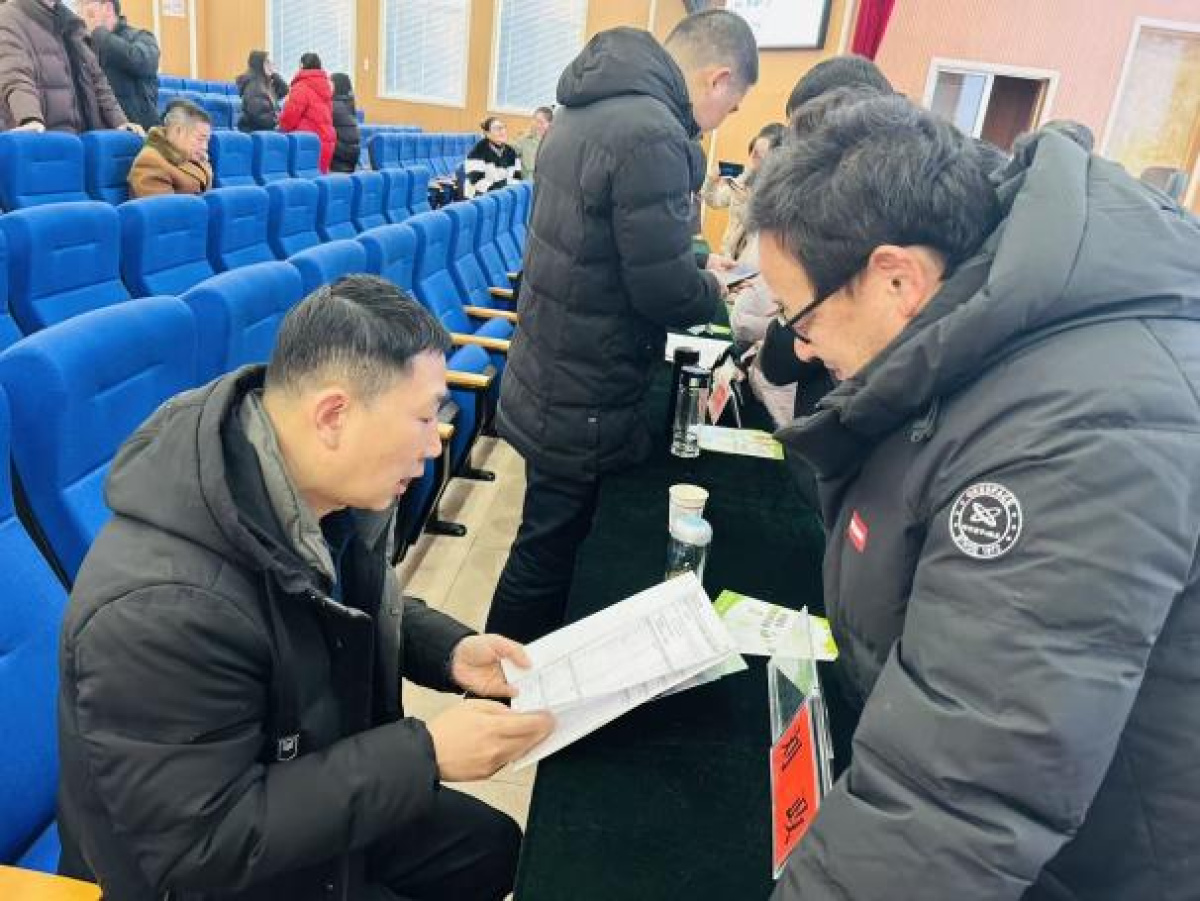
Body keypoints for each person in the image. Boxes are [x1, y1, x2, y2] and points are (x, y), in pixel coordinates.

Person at [750, 94, 1200, 900]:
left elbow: (955, 794)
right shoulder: (989, 339)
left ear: (897, 279)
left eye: (801, 319)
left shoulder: (1084, 429)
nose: (802, 349)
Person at [57, 275, 555, 900]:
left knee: (492, 846)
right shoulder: (162, 609)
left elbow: (331, 609)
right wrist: (424, 755)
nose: (435, 444)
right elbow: (201, 846)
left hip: (295, 783)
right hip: (212, 871)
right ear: (333, 416)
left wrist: (449, 653)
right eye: (424, 417)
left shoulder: (315, 487)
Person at [487, 9, 759, 643]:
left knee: (547, 542)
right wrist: (712, 286)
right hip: (584, 383)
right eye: (731, 106)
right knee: (546, 552)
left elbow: (607, 246)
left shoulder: (587, 107)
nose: (720, 120)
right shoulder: (653, 133)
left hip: (556, 364)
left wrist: (693, 263)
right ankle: (496, 684)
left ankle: (508, 677)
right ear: (718, 79)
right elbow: (663, 293)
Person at [0, 0, 140, 134]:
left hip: (83, 138)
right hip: (43, 138)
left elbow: (97, 79)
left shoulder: (71, 23)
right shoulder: (8, 16)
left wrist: (120, 122)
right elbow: (15, 74)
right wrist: (29, 119)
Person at [702, 121, 784, 259]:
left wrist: (744, 203)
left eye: (759, 156)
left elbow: (759, 233)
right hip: (727, 256)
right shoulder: (743, 176)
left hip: (750, 263)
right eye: (753, 152)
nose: (752, 160)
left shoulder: (779, 193)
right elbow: (714, 201)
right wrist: (711, 180)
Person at [79, 0, 159, 132]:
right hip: (98, 130)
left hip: (138, 131)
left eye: (86, 3)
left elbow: (141, 62)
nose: (80, 10)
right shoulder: (84, 43)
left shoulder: (141, 37)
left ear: (108, 8)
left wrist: (100, 32)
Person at [127, 99, 212, 197]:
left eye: (207, 141)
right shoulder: (151, 161)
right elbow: (164, 206)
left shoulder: (194, 156)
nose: (205, 147)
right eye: (200, 139)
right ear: (178, 131)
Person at [278, 52, 336, 173]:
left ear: (302, 65)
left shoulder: (301, 86)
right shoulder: (326, 87)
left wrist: (281, 128)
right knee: (318, 179)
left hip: (305, 142)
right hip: (326, 139)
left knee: (301, 179)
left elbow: (290, 116)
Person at [464, 117, 522, 198]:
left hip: (503, 194)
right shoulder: (477, 152)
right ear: (487, 133)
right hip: (480, 197)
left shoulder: (511, 151)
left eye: (503, 127)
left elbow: (517, 176)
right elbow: (477, 181)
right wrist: (501, 189)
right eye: (497, 129)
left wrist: (509, 189)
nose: (502, 131)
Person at [236, 49, 288, 133]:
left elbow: (284, 90)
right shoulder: (254, 85)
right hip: (255, 132)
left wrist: (274, 74)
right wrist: (277, 121)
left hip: (266, 130)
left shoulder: (266, 84)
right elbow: (258, 116)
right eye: (267, 62)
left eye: (270, 62)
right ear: (259, 65)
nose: (271, 65)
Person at [329, 71, 360, 174]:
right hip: (351, 156)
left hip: (339, 158)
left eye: (330, 84)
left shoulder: (333, 105)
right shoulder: (349, 103)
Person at [512, 105, 553, 182]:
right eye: (535, 121)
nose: (537, 125)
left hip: (548, 185)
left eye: (541, 122)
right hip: (529, 185)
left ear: (550, 124)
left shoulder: (556, 142)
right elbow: (508, 150)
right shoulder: (525, 140)